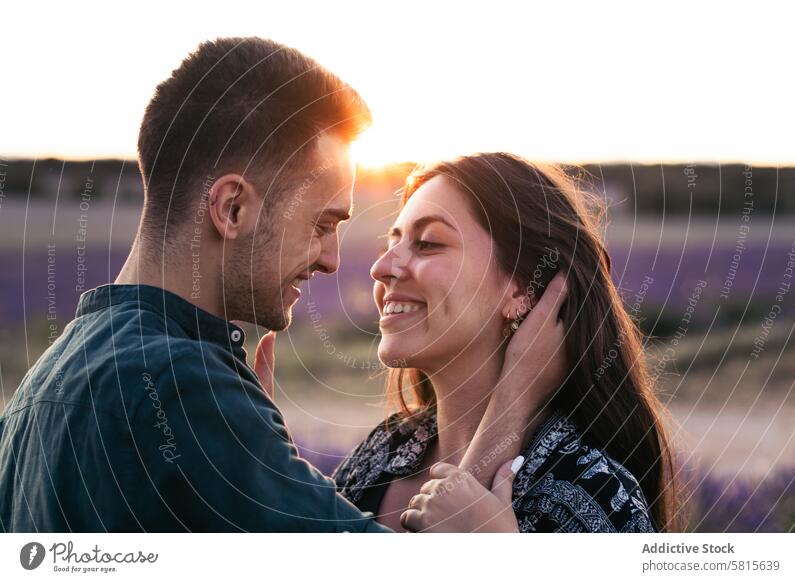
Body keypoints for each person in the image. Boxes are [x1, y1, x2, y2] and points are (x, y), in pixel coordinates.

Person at [0, 38, 564, 532]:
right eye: (321, 224)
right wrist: (513, 404)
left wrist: (263, 465)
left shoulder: (40, 385)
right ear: (232, 207)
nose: (332, 259)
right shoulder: (183, 389)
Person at [333, 153, 680, 532]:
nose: (380, 268)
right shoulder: (384, 452)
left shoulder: (589, 492)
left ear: (522, 287)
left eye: (428, 243)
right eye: (392, 241)